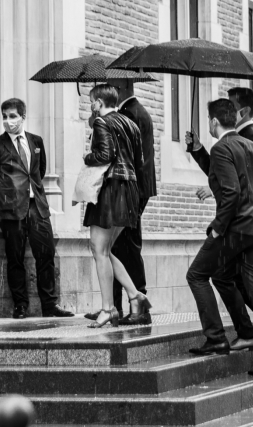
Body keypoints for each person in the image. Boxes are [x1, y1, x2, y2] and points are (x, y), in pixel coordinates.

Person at [185, 98, 253, 375]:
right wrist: (198, 150)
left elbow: (231, 191)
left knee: (197, 275)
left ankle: (216, 338)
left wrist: (218, 227)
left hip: (234, 228)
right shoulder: (252, 147)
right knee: (233, 281)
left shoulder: (222, 147)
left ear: (213, 121)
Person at [0, 98, 74, 319]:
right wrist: (9, 196)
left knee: (46, 254)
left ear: (23, 117)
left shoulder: (37, 141)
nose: (8, 121)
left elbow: (39, 172)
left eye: (12, 116)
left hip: (38, 207)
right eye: (4, 116)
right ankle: (21, 306)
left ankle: (50, 306)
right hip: (11, 210)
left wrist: (30, 192)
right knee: (15, 258)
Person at [82, 84, 152, 328]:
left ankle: (108, 309)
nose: (90, 105)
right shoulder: (130, 123)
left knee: (98, 248)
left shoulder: (102, 123)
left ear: (99, 102)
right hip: (130, 190)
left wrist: (87, 156)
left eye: (92, 101)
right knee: (107, 250)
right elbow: (139, 160)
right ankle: (135, 296)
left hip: (111, 190)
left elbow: (105, 155)